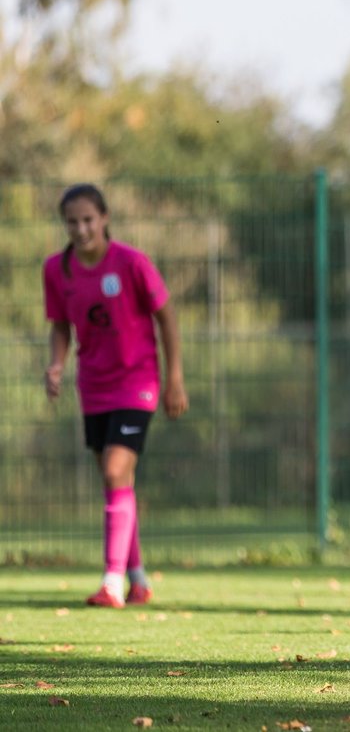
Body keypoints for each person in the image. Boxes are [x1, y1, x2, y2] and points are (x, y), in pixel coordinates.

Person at [43, 183, 188, 608]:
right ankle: (138, 578)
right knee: (117, 483)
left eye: (88, 219)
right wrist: (56, 363)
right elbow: (59, 325)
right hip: (95, 385)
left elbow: (167, 318)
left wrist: (175, 377)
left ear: (104, 218)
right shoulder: (57, 270)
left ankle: (111, 583)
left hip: (138, 381)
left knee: (114, 471)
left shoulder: (132, 263)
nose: (81, 229)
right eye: (72, 221)